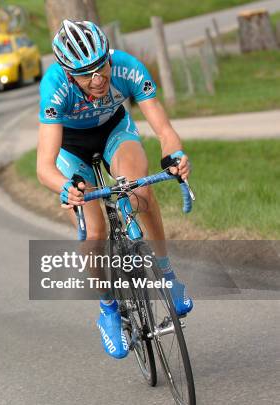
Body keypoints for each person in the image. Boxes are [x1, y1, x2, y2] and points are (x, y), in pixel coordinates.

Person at [37, 20, 192, 359]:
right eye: (85, 74)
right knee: (95, 231)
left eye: (101, 67)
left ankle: (167, 274)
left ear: (109, 56)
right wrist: (66, 188)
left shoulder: (127, 67)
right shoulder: (53, 88)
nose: (98, 79)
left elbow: (164, 130)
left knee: (140, 192)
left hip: (114, 131)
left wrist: (175, 155)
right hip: (71, 148)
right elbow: (44, 166)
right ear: (67, 73)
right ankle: (108, 309)